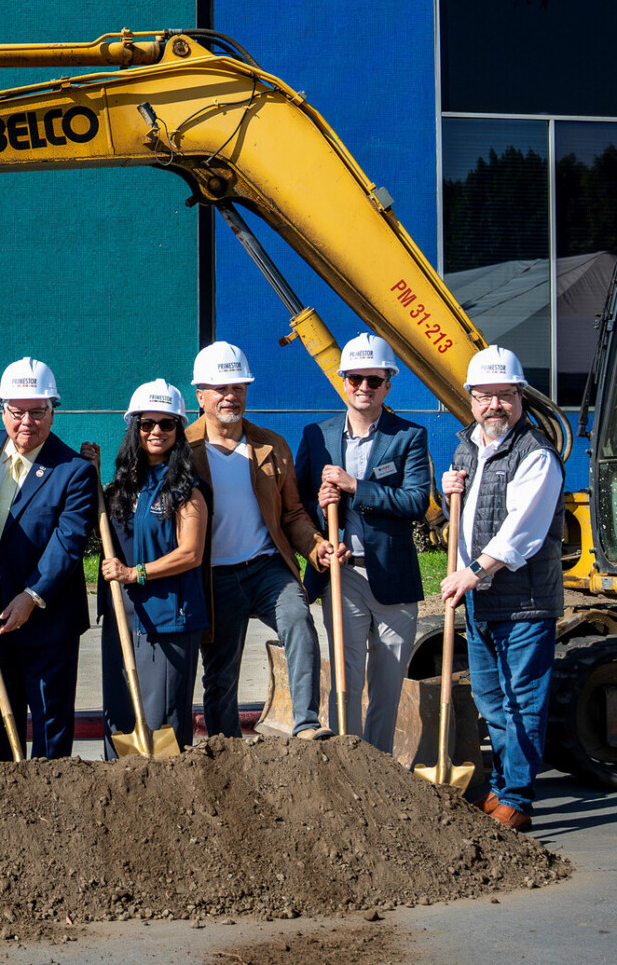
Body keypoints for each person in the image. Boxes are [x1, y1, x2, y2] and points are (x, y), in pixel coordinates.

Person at [187, 341, 340, 741]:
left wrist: (315, 545)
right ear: (199, 394)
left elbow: (291, 515)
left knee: (299, 623)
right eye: (220, 389)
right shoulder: (182, 451)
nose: (229, 396)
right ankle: (225, 748)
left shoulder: (272, 446)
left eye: (238, 387)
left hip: (267, 567)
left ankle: (305, 724)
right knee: (220, 673)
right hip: (214, 576)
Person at [440, 346, 564, 832]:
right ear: (470, 398)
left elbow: (522, 532)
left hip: (525, 601)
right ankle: (501, 787)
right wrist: (447, 489)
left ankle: (517, 797)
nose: (495, 405)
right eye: (486, 396)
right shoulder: (467, 445)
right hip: (481, 600)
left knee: (523, 701)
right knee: (491, 701)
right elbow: (463, 517)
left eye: (505, 396)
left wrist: (473, 571)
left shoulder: (536, 454)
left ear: (520, 397)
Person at [295, 333, 430, 750]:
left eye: (374, 380)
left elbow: (416, 501)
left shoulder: (408, 435)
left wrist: (356, 486)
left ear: (388, 383)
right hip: (341, 574)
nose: (364, 388)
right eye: (355, 379)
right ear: (344, 382)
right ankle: (347, 764)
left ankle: (381, 770)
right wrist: (320, 511)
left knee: (387, 686)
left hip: (392, 577)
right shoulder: (317, 435)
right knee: (345, 681)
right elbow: (297, 504)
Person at [0, 357, 93, 759]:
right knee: (1, 716)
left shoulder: (73, 470)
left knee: (50, 724)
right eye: (17, 412)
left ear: (54, 410)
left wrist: (32, 596)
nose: (27, 422)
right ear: (2, 410)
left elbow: (67, 543)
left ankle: (53, 802)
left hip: (46, 618)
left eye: (38, 412)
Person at [95, 380, 211, 752]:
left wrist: (135, 573)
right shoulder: (125, 485)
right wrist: (93, 476)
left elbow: (191, 553)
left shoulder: (187, 487)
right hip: (122, 614)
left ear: (179, 429)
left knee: (163, 721)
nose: (156, 431)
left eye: (166, 423)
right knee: (120, 713)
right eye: (147, 423)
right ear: (134, 428)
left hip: (169, 619)